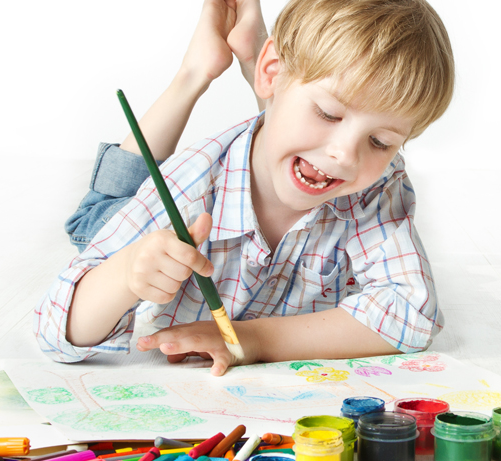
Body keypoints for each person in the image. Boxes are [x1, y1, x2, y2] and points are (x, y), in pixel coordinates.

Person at [34, 0, 454, 376]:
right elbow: (55, 330)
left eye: (380, 142)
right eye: (328, 113)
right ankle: (195, 72)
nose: (346, 154)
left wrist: (252, 340)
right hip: (144, 211)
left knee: (291, 138)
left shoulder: (377, 181)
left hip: (274, 123)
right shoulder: (191, 185)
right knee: (99, 216)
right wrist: (127, 274)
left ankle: (259, 56)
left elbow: (412, 313)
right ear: (272, 73)